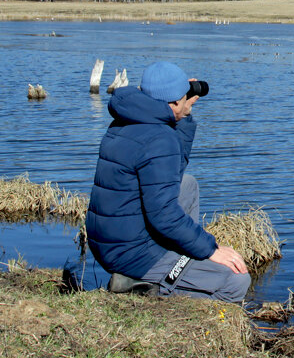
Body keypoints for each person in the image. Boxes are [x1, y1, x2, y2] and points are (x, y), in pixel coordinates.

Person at [86, 61, 250, 303]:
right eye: (185, 97)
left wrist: (183, 116)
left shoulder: (128, 118)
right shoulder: (160, 138)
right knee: (235, 279)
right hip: (131, 252)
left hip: (107, 238)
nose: (189, 100)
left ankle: (174, 264)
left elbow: (171, 175)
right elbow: (164, 215)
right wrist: (210, 250)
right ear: (173, 103)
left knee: (188, 185)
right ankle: (147, 290)